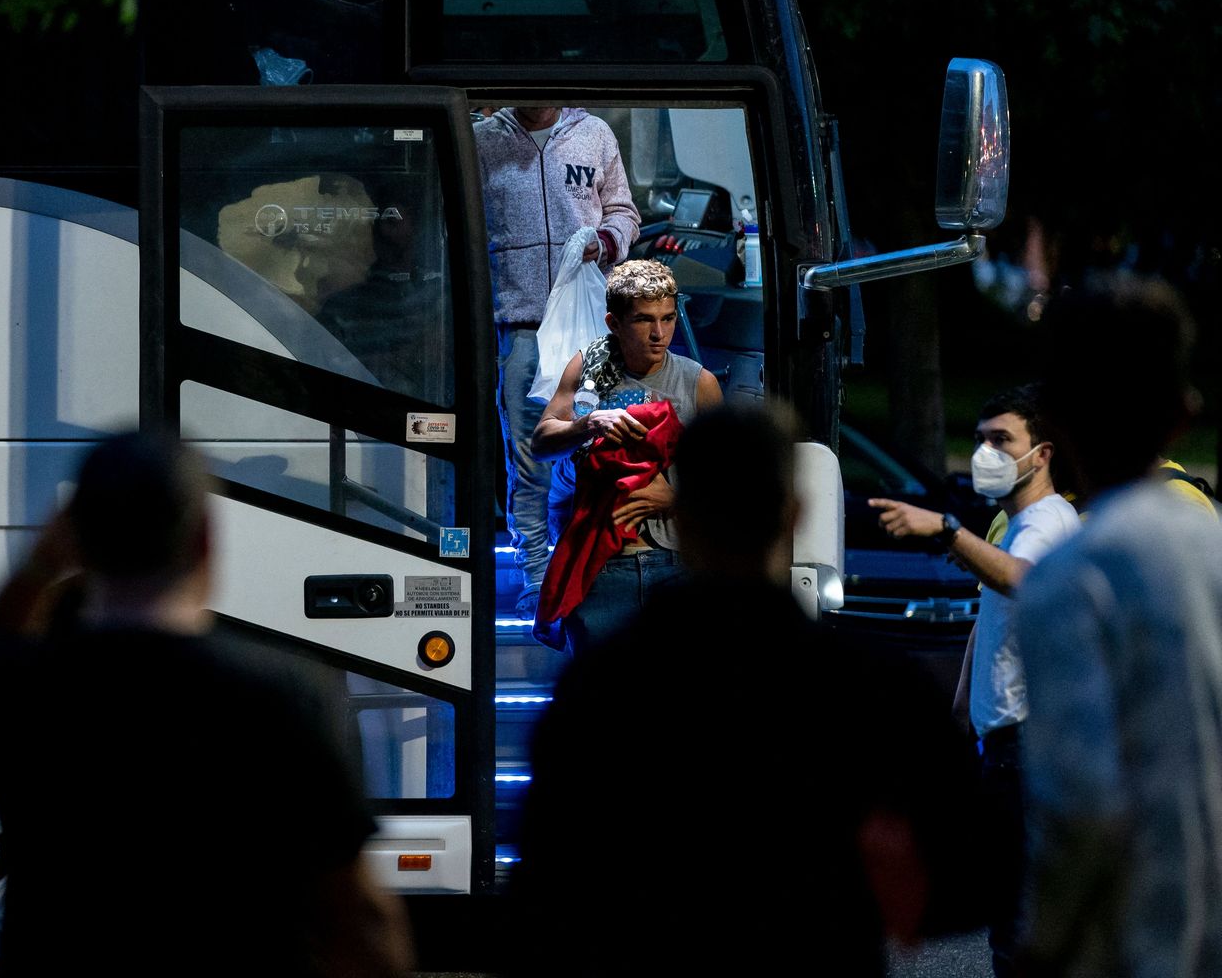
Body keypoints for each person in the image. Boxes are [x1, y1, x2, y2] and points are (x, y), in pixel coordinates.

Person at [0, 431, 412, 978]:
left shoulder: (24, 688)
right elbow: (361, 917)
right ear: (204, 540)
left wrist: (37, 567)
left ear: (76, 539)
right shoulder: (285, 695)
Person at [512, 405, 981, 976]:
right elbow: (967, 877)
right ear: (794, 513)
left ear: (680, 518)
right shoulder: (868, 684)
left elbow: (548, 892)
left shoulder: (603, 686)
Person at [1014, 277, 1222, 977]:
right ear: (1183, 415)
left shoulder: (1070, 578)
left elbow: (1083, 806)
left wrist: (1044, 944)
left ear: (1055, 423)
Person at [866, 384, 1080, 975]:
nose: (986, 452)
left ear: (1042, 454)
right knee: (1013, 920)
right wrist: (962, 711)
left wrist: (945, 531)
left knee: (1019, 926)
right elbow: (994, 628)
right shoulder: (1013, 524)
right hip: (1005, 747)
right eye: (981, 439)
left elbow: (1024, 580)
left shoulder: (1045, 523)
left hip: (1029, 751)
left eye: (1002, 440)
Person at [475, 106, 641, 624]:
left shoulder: (592, 133)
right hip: (520, 320)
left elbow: (623, 210)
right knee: (530, 456)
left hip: (590, 321)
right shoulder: (484, 141)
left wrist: (606, 240)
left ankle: (587, 568)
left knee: (594, 448)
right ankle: (536, 578)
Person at [528, 259, 722, 652]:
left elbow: (731, 485)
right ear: (614, 323)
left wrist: (679, 499)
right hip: (602, 568)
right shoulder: (586, 368)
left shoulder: (697, 382)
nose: (659, 333)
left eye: (668, 319)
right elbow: (541, 441)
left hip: (674, 565)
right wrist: (588, 424)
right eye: (644, 320)